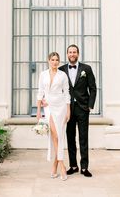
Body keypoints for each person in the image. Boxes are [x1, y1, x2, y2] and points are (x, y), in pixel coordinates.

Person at [59, 44, 97, 177]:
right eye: (70, 52)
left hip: (82, 108)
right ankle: (73, 166)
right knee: (70, 138)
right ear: (67, 54)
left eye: (74, 52)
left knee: (83, 138)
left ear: (78, 54)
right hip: (68, 109)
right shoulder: (61, 70)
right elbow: (59, 90)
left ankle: (84, 167)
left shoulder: (86, 69)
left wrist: (90, 105)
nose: (72, 54)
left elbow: (93, 88)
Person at [37, 52, 70, 181]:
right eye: (52, 59)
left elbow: (67, 93)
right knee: (55, 135)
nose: (55, 62)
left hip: (61, 107)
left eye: (57, 60)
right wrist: (39, 110)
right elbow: (40, 92)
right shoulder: (43, 74)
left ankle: (55, 164)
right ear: (48, 61)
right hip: (48, 107)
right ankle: (62, 165)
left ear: (59, 61)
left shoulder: (63, 75)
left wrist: (68, 111)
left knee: (59, 136)